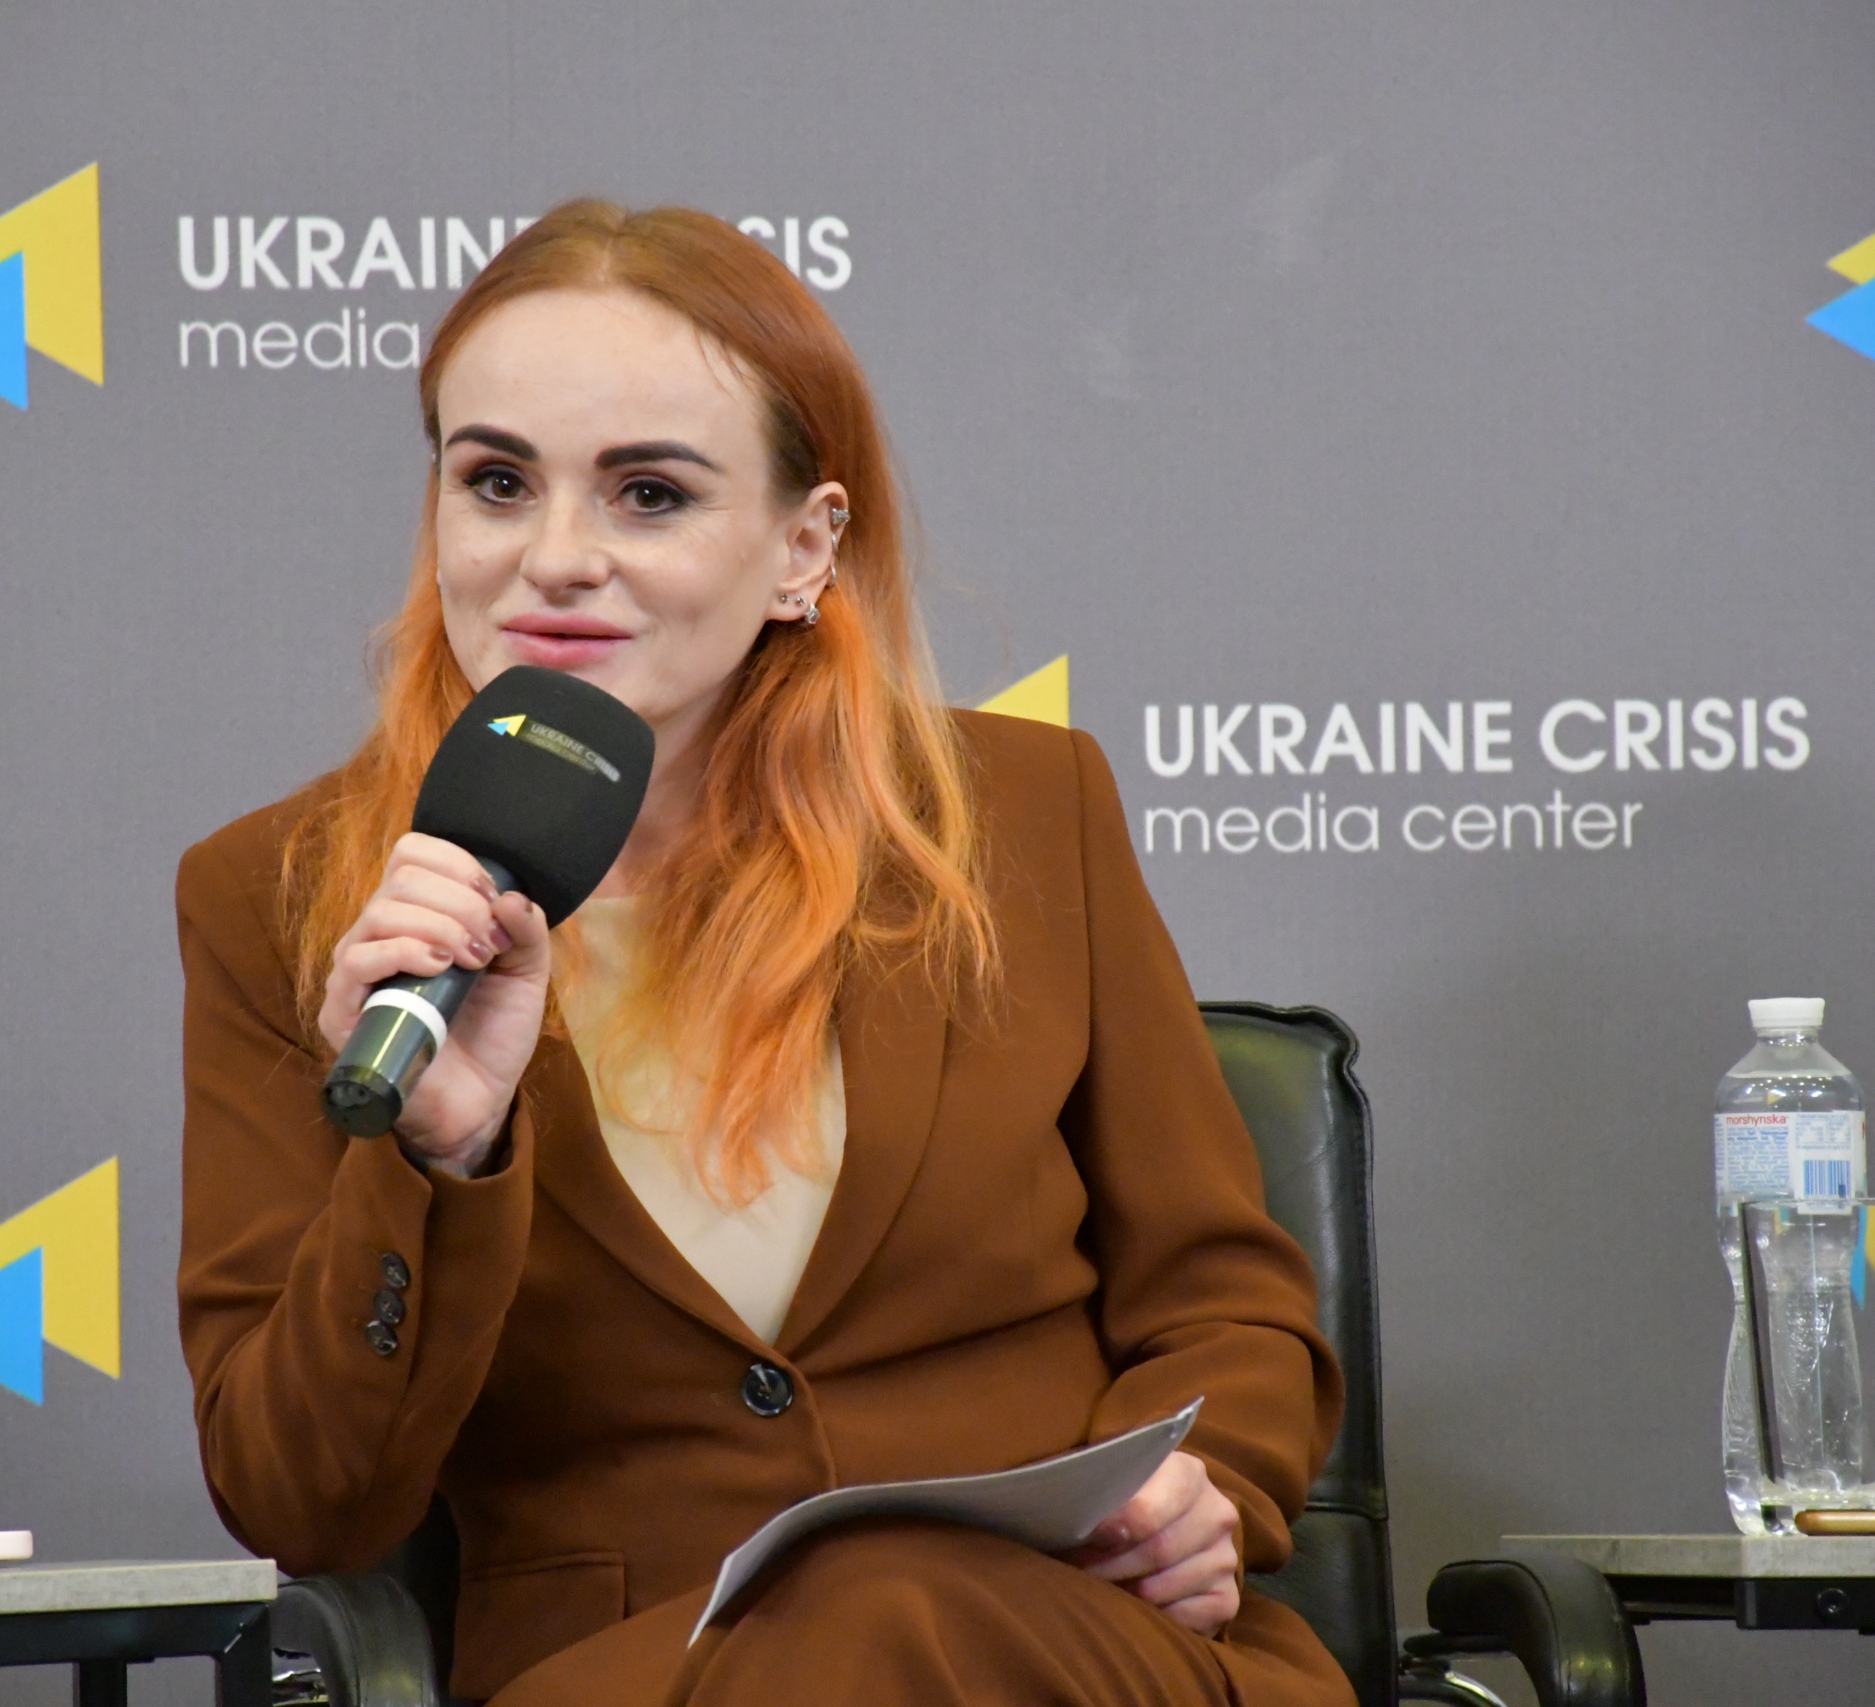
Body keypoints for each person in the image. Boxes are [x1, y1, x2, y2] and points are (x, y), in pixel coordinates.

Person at [176, 200, 1349, 1707]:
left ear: (805, 547)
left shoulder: (1024, 814)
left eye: (649, 494)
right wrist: (430, 1159)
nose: (555, 558)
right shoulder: (284, 900)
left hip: (1057, 1640)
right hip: (636, 1674)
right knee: (858, 1629)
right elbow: (302, 1501)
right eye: (496, 482)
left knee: (891, 1610)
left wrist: (1202, 1487)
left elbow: (1224, 1306)